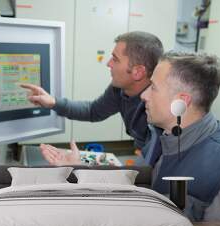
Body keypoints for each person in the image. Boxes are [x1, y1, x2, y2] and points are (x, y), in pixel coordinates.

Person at [41, 51, 220, 221]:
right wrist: (84, 170)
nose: (143, 96)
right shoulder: (163, 136)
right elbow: (140, 189)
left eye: (153, 87)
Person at [21, 31, 164, 153]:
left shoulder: (160, 106)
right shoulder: (119, 89)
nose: (108, 64)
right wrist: (53, 102)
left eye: (115, 59)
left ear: (138, 72)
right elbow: (93, 111)